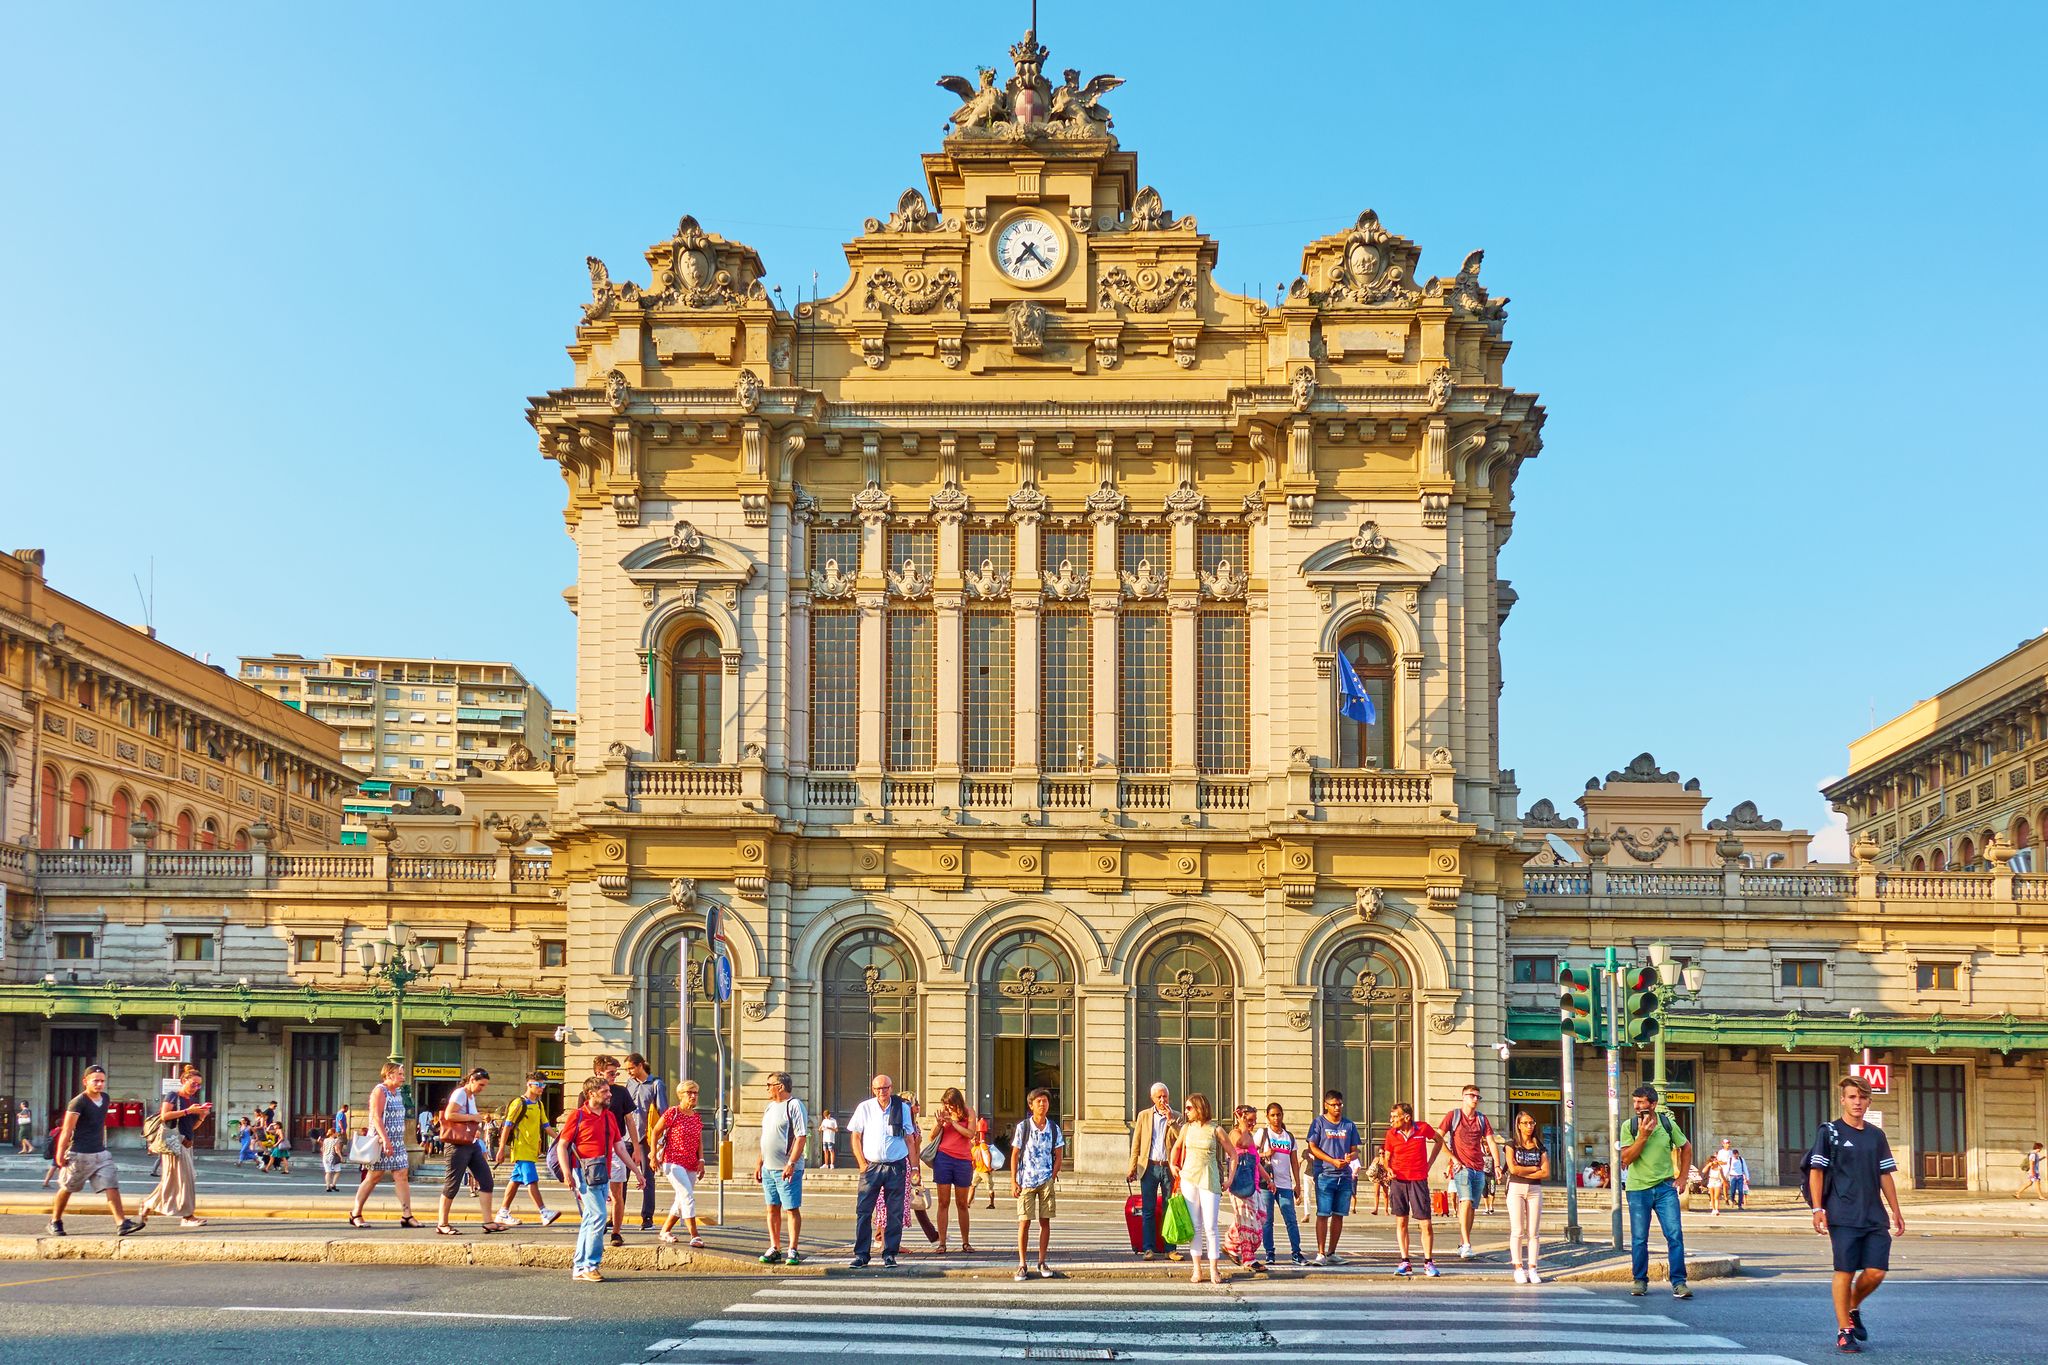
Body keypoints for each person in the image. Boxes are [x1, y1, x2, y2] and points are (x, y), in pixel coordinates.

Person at [1807, 1074, 1906, 1354]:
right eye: (1852, 1097)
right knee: (1845, 1270)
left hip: (1874, 1215)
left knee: (1876, 1272)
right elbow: (1817, 1171)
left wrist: (1896, 1211)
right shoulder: (1830, 1132)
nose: (1857, 1102)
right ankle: (1844, 1330)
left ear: (1869, 1101)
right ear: (1843, 1100)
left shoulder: (1877, 1136)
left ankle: (1852, 1306)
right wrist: (1818, 1208)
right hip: (1842, 1213)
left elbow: (1885, 1174)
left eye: (1862, 1097)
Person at [47, 1064, 142, 1238]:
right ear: (85, 1081)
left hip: (100, 1153)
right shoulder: (78, 1102)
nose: (99, 1084)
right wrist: (59, 1154)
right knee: (67, 1188)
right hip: (79, 1154)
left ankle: (122, 1223)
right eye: (95, 1081)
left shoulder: (105, 1098)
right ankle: (55, 1221)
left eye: (102, 1081)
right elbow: (67, 1129)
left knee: (111, 1185)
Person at [556, 1075, 634, 1283]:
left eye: (609, 1091)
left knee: (590, 1219)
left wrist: (636, 1170)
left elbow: (619, 1147)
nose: (610, 1095)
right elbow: (562, 1145)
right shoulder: (578, 1116)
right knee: (599, 1217)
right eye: (605, 1092)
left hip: (603, 1173)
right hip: (583, 1173)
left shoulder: (609, 1116)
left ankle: (580, 1267)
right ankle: (590, 1265)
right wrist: (566, 1173)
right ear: (591, 1094)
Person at [1620, 1084, 1691, 1299]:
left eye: (1641, 1102)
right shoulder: (1629, 1126)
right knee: (1639, 1238)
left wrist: (1682, 1177)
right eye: (1634, 1102)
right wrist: (1642, 1136)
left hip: (1665, 1188)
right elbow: (1626, 1159)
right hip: (1638, 1188)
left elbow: (1686, 1147)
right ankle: (1640, 1280)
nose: (1637, 1106)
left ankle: (1679, 1282)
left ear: (1653, 1104)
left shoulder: (1667, 1124)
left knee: (1675, 1235)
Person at [846, 1074, 915, 1268]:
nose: (882, 1092)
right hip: (872, 1166)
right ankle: (861, 1254)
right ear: (873, 1089)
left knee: (895, 1212)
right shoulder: (865, 1108)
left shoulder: (901, 1107)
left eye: (885, 1088)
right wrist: (861, 1163)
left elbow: (910, 1139)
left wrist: (915, 1167)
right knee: (864, 1211)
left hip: (896, 1165)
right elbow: (856, 1136)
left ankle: (890, 1253)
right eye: (878, 1089)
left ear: (891, 1088)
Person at [349, 1060, 420, 1228]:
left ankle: (407, 1215)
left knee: (402, 1175)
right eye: (400, 1074)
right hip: (382, 1141)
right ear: (389, 1075)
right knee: (374, 1176)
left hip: (397, 1141)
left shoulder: (397, 1093)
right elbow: (376, 1117)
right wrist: (386, 1141)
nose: (403, 1077)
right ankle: (355, 1213)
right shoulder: (379, 1091)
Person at [138, 1064, 210, 1228]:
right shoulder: (173, 1096)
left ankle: (148, 1203)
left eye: (199, 1085)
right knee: (185, 1180)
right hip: (174, 1144)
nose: (196, 1088)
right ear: (183, 1081)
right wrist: (188, 1111)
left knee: (175, 1180)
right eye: (193, 1083)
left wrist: (202, 1116)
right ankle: (187, 1216)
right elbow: (165, 1116)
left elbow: (191, 1127)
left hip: (186, 1144)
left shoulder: (191, 1101)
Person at [433, 1068, 504, 1234]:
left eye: (484, 1085)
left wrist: (476, 1121)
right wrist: (473, 1118)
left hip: (471, 1144)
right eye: (480, 1084)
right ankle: (442, 1223)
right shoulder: (460, 1093)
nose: (482, 1088)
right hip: (457, 1145)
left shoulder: (471, 1097)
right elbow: (450, 1115)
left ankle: (488, 1221)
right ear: (472, 1080)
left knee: (486, 1180)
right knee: (452, 1184)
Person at [1380, 1101, 1443, 1277]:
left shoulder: (1422, 1128)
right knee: (1401, 1221)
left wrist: (1429, 1163)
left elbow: (1439, 1140)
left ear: (1406, 1117)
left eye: (1394, 1116)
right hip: (1398, 1181)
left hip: (1418, 1180)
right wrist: (1388, 1168)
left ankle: (1428, 1262)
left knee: (1426, 1223)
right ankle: (1405, 1261)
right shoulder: (1391, 1134)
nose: (1391, 1120)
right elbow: (1386, 1156)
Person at [753, 1070, 809, 1265]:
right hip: (769, 1168)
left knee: (791, 1208)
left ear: (780, 1086)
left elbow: (801, 1137)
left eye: (769, 1085)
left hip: (787, 1168)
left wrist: (791, 1163)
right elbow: (765, 1138)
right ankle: (774, 1246)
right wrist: (760, 1163)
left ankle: (793, 1248)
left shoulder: (794, 1106)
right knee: (772, 1208)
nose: (767, 1088)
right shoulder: (769, 1108)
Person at [1168, 1092, 1224, 1286]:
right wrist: (1173, 1165)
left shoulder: (1215, 1129)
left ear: (1200, 1108)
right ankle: (1197, 1268)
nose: (1186, 1111)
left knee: (1211, 1226)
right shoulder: (1186, 1128)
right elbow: (1176, 1148)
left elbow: (1233, 1154)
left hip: (1209, 1179)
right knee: (1195, 1226)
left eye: (1189, 1108)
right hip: (1189, 1178)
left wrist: (1230, 1178)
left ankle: (1214, 1268)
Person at [1010, 1086, 1064, 1281]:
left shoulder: (1053, 1128)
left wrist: (1053, 1174)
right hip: (1026, 1180)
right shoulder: (1023, 1127)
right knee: (1024, 1221)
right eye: (1038, 1101)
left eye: (1045, 1101)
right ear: (1031, 1105)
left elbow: (1059, 1154)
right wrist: (1013, 1180)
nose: (1042, 1104)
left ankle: (1042, 1261)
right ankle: (1022, 1263)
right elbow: (1015, 1154)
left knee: (1045, 1221)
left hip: (1045, 1180)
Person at [1439, 1084, 1499, 1260]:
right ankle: (1466, 1244)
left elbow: (1492, 1142)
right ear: (1463, 1097)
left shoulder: (1482, 1119)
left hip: (1479, 1168)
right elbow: (1438, 1138)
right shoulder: (1454, 1116)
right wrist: (1453, 1158)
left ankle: (1463, 1241)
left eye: (1477, 1097)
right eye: (1472, 1095)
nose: (1475, 1099)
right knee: (1465, 1201)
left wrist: (1496, 1166)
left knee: (1472, 1207)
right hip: (1462, 1168)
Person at [1126, 1081, 1183, 1261]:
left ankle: (1170, 1248)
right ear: (1152, 1098)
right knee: (1148, 1209)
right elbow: (1136, 1143)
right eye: (1158, 1096)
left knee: (1169, 1209)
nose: (1162, 1099)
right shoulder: (1144, 1116)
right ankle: (1148, 1248)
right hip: (1148, 1166)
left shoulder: (1177, 1116)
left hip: (1168, 1167)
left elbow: (1181, 1139)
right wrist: (1132, 1168)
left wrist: (1171, 1121)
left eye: (1164, 1096)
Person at [495, 1072, 560, 1227]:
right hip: (520, 1148)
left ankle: (502, 1213)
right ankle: (544, 1212)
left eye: (543, 1085)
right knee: (532, 1181)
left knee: (515, 1181)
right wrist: (501, 1148)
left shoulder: (539, 1104)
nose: (541, 1088)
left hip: (532, 1149)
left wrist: (561, 1139)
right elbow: (507, 1126)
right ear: (529, 1084)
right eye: (538, 1085)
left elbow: (546, 1126)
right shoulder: (518, 1103)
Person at [1304, 1089, 1362, 1265]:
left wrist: (1351, 1157)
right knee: (1323, 1214)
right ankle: (1320, 1253)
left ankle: (1332, 1252)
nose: (1337, 1108)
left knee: (1339, 1215)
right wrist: (1331, 1160)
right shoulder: (1318, 1123)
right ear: (1326, 1105)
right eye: (1334, 1105)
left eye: (1339, 1104)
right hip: (1325, 1174)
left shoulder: (1349, 1125)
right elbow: (1312, 1147)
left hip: (1344, 1176)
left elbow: (1355, 1150)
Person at [650, 1079, 706, 1246]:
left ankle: (665, 1231)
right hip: (673, 1161)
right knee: (687, 1196)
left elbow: (699, 1141)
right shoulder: (673, 1112)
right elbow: (655, 1132)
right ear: (681, 1095)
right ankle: (694, 1235)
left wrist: (701, 1160)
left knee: (681, 1199)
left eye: (695, 1093)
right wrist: (653, 1154)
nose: (693, 1096)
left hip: (691, 1162)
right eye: (690, 1093)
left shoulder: (696, 1116)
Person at [591, 1056, 637, 1246]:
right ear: (598, 1073)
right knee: (596, 1191)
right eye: (611, 1073)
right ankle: (598, 1225)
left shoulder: (621, 1092)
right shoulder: (587, 1093)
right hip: (594, 1148)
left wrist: (637, 1148)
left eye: (616, 1073)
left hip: (617, 1146)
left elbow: (630, 1121)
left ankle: (616, 1232)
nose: (614, 1076)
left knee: (617, 1192)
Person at [927, 1087, 979, 1253]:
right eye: (946, 1105)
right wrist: (939, 1124)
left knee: (962, 1203)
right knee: (943, 1202)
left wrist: (953, 1123)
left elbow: (970, 1134)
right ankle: (942, 1242)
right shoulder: (944, 1114)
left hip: (963, 1160)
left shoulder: (969, 1112)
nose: (948, 1108)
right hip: (944, 1159)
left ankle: (966, 1242)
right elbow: (932, 1137)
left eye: (950, 1105)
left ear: (958, 1103)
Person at [1255, 1102, 1305, 1266]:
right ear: (1267, 1117)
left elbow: (1294, 1162)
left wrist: (1297, 1184)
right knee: (1268, 1220)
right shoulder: (1262, 1133)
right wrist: (1265, 1153)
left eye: (1279, 1115)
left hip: (1284, 1184)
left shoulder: (1288, 1137)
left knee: (1291, 1219)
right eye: (1273, 1115)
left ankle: (1296, 1253)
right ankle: (1270, 1253)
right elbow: (1250, 1154)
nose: (1276, 1118)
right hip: (1267, 1184)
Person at [1504, 1109, 1549, 1284]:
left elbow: (1545, 1172)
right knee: (1517, 1230)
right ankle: (1518, 1267)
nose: (1529, 1126)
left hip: (1535, 1190)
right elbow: (1513, 1169)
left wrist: (1526, 1172)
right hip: (1515, 1188)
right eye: (1525, 1123)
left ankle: (1532, 1267)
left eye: (1532, 1123)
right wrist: (1533, 1169)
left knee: (1534, 1232)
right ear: (1518, 1125)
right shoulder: (1511, 1145)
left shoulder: (1539, 1145)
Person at [624, 1053, 668, 1232]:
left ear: (640, 1065)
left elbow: (663, 1113)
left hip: (646, 1137)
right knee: (620, 1178)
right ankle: (615, 1214)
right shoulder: (630, 1083)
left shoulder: (656, 1084)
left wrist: (661, 1142)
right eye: (627, 1070)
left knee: (647, 1177)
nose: (629, 1073)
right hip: (627, 1136)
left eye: (631, 1068)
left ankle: (647, 1216)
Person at [1224, 1105, 1268, 1272]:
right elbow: (1239, 1143)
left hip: (1253, 1184)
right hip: (1239, 1185)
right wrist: (1242, 1126)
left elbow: (1256, 1162)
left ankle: (1230, 1242)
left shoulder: (1248, 1134)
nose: (1252, 1124)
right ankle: (1249, 1258)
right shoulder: (1235, 1133)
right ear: (1240, 1117)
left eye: (1254, 1120)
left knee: (1260, 1218)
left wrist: (1268, 1179)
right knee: (1247, 1223)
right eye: (1249, 1120)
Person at [321, 1126, 344, 1192]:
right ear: (333, 1133)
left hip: (325, 1157)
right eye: (336, 1132)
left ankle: (328, 1186)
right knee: (338, 1171)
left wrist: (324, 1155)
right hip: (334, 1158)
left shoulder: (325, 1140)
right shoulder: (336, 1140)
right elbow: (337, 1150)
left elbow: (323, 1149)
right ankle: (333, 1185)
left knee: (328, 1172)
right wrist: (341, 1157)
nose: (337, 1133)